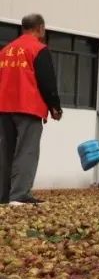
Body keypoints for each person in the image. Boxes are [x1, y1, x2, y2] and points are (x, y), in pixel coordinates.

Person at [0, 14, 62, 206]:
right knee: (27, 150)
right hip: (28, 107)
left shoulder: (5, 51)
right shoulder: (38, 49)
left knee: (4, 152)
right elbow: (47, 81)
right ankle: (19, 195)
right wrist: (55, 106)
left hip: (3, 108)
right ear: (40, 28)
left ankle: (3, 196)